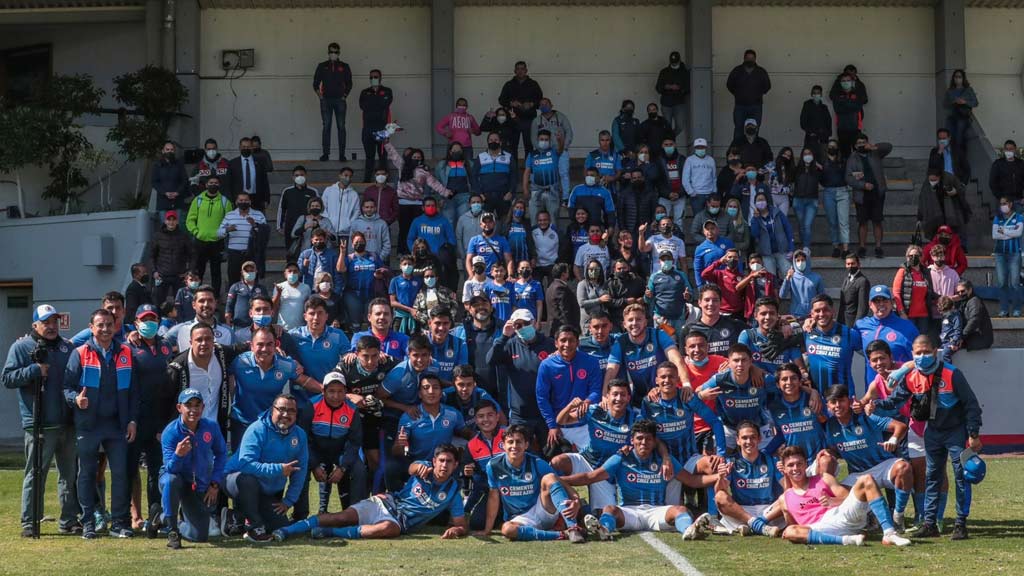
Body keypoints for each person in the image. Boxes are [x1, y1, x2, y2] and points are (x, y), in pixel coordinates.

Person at [873, 335, 983, 540]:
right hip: (932, 432)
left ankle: (961, 523)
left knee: (962, 475)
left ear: (934, 352)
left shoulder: (952, 374)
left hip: (955, 431)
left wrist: (973, 434)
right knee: (932, 476)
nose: (921, 356)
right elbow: (895, 401)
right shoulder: (911, 376)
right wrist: (875, 404)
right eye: (917, 353)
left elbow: (971, 405)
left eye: (925, 352)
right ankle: (930, 523)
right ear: (912, 355)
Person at [563, 419, 719, 542]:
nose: (643, 443)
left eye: (648, 439)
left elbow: (691, 480)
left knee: (681, 510)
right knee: (609, 509)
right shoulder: (620, 458)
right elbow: (590, 477)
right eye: (639, 439)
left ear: (654, 441)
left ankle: (689, 530)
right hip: (629, 512)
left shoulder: (665, 460)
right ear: (632, 440)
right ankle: (603, 530)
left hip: (656, 511)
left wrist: (718, 477)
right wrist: (561, 480)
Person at [272, 444, 468, 542]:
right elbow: (412, 468)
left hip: (399, 522)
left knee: (389, 530)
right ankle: (286, 531)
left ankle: (329, 533)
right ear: (434, 461)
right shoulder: (424, 468)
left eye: (449, 461)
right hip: (385, 503)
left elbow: (461, 524)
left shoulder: (452, 493)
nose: (444, 465)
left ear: (455, 464)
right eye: (441, 460)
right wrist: (418, 468)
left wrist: (456, 530)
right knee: (341, 517)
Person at [3, 304, 79, 537]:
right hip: (39, 422)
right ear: (35, 324)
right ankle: (30, 521)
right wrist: (34, 370)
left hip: (66, 422)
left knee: (69, 474)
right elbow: (7, 378)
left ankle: (69, 520)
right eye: (46, 322)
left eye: (54, 321)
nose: (51, 326)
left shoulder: (68, 347)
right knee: (36, 473)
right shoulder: (22, 346)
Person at [64, 308, 138, 539]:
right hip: (89, 425)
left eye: (109, 324)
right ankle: (88, 523)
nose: (105, 329)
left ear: (116, 325)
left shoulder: (126, 351)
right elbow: (66, 387)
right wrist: (75, 399)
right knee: (86, 474)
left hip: (117, 425)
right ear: (91, 327)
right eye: (100, 325)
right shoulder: (80, 353)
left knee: (120, 473)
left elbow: (134, 392)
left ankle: (118, 523)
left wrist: (132, 420)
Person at [774, 445, 911, 547]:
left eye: (799, 463)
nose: (795, 468)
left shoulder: (824, 478)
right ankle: (847, 540)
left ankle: (889, 533)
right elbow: (794, 527)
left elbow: (849, 498)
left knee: (866, 479)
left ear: (806, 465)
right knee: (790, 531)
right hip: (818, 528)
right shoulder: (784, 498)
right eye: (790, 465)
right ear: (785, 469)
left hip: (841, 516)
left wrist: (833, 501)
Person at [820, 384, 914, 531]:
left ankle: (898, 516)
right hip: (858, 475)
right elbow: (836, 450)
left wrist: (893, 440)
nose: (837, 405)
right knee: (833, 495)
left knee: (904, 468)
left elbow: (900, 426)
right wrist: (827, 453)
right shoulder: (830, 425)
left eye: (841, 400)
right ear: (828, 405)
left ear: (849, 401)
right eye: (833, 402)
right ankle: (870, 516)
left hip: (883, 466)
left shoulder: (866, 416)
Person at [476, 424, 584, 542]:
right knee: (507, 529)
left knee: (550, 477)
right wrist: (487, 529)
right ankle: (561, 534)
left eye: (519, 442)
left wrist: (576, 500)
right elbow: (493, 497)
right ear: (503, 445)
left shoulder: (536, 462)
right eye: (510, 442)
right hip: (520, 518)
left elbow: (560, 482)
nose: (514, 446)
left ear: (526, 445)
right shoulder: (493, 466)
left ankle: (573, 528)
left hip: (543, 509)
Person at [224, 394, 308, 542]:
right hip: (235, 481)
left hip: (265, 491)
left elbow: (300, 471)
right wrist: (277, 469)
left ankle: (235, 516)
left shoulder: (300, 435)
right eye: (281, 409)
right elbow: (245, 463)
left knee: (279, 525)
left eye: (291, 411)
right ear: (272, 410)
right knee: (248, 481)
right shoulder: (257, 429)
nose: (285, 414)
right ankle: (254, 528)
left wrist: (288, 501)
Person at [641, 361, 727, 506]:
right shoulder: (649, 402)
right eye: (663, 377)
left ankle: (713, 515)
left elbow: (715, 422)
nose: (667, 380)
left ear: (678, 379)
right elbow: (643, 432)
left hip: (688, 458)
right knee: (671, 509)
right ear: (656, 380)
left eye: (671, 377)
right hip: (664, 461)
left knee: (713, 465)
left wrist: (721, 454)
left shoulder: (687, 398)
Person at [151, 388, 227, 548]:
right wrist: (178, 454)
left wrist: (214, 483)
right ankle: (172, 531)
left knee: (200, 536)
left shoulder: (211, 427)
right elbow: (171, 469)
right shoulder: (170, 432)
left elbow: (221, 454)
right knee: (171, 480)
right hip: (174, 479)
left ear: (203, 407)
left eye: (197, 405)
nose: (193, 410)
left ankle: (160, 517)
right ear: (179, 408)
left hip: (198, 485)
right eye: (188, 405)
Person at [125, 305, 175, 530]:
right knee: (130, 469)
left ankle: (155, 515)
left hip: (159, 419)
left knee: (156, 469)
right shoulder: (128, 347)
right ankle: (134, 516)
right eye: (144, 320)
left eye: (152, 319)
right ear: (135, 323)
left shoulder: (165, 346)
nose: (148, 323)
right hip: (134, 418)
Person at [487, 308, 556, 447]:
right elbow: (490, 360)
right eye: (518, 325)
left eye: (525, 323)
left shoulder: (549, 343)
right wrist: (504, 336)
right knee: (520, 453)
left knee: (550, 452)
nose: (522, 328)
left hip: (546, 412)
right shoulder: (510, 344)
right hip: (520, 415)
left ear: (534, 322)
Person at [536, 325, 603, 451]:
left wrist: (588, 401)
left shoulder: (591, 362)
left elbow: (596, 390)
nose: (567, 344)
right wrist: (552, 425)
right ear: (556, 343)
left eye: (571, 340)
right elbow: (542, 398)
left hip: (586, 425)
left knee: (593, 464)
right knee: (559, 465)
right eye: (563, 340)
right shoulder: (546, 365)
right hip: (560, 427)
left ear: (577, 342)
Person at [712, 421, 784, 537]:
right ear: (738, 440)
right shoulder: (731, 462)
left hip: (768, 512)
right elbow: (719, 492)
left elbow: (789, 488)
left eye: (753, 437)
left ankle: (754, 525)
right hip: (741, 511)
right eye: (744, 438)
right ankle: (757, 525)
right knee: (719, 496)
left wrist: (787, 475)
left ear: (759, 439)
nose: (749, 442)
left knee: (789, 496)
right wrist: (720, 477)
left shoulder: (772, 460)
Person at [606, 303, 692, 401]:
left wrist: (686, 383)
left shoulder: (658, 335)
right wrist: (605, 396)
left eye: (638, 319)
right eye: (630, 320)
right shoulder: (621, 342)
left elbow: (676, 359)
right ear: (624, 324)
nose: (634, 323)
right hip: (639, 397)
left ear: (645, 322)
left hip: (663, 392)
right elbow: (611, 370)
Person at [853, 285, 920, 386]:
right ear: (870, 304)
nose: (881, 304)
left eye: (885, 300)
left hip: (900, 389)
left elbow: (918, 360)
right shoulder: (861, 325)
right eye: (876, 301)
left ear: (892, 303)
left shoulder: (907, 327)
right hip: (873, 389)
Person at [803, 294, 863, 397]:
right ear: (811, 314)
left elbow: (870, 352)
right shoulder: (807, 332)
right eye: (817, 311)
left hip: (843, 399)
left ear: (833, 311)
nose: (821, 314)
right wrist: (785, 324)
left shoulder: (849, 334)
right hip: (817, 399)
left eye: (826, 309)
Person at [846, 133, 892, 258]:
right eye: (859, 143)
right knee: (862, 222)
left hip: (877, 193)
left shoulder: (875, 154)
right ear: (855, 145)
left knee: (877, 221)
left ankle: (878, 247)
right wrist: (863, 185)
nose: (861, 145)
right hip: (861, 195)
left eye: (863, 142)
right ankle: (862, 247)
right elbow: (848, 178)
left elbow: (888, 147)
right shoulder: (852, 158)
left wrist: (874, 147)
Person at [186, 176, 232, 296]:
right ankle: (198, 295)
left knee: (216, 272)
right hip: (200, 241)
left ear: (219, 185)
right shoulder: (198, 200)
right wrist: (196, 232)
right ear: (206, 185)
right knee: (198, 271)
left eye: (216, 183)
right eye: (211, 183)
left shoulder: (224, 201)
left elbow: (229, 221)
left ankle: (215, 297)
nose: (213, 184)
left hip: (217, 242)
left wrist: (222, 233)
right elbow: (190, 219)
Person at [738, 297, 803, 374]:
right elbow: (739, 360)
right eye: (763, 314)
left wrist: (804, 377)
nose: (767, 317)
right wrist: (753, 368)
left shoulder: (787, 336)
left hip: (780, 384)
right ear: (755, 316)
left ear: (777, 316)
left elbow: (800, 368)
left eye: (772, 313)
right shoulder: (748, 335)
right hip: (755, 385)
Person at [217, 192, 267, 288]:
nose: (243, 202)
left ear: (250, 202)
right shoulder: (229, 215)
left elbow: (265, 233)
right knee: (233, 279)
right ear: (236, 202)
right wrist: (227, 230)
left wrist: (255, 225)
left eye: (246, 200)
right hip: (234, 253)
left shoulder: (258, 214)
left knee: (252, 279)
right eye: (241, 200)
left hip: (252, 252)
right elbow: (218, 233)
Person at [454, 296, 501, 398]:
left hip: (499, 390)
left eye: (484, 304)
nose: (481, 307)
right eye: (476, 305)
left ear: (491, 308)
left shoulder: (502, 331)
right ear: (470, 310)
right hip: (468, 392)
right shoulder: (459, 333)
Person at [313, 42, 352, 161]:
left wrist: (345, 95)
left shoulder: (344, 66)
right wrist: (320, 96)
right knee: (326, 126)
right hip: (326, 100)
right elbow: (315, 83)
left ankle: (342, 154)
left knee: (341, 126)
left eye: (335, 52)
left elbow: (349, 83)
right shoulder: (322, 65)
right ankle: (326, 153)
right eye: (331, 52)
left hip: (340, 100)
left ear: (339, 53)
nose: (333, 54)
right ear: (328, 52)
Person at [683, 284, 748, 357]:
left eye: (715, 300)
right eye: (707, 300)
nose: (711, 304)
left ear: (721, 303)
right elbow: (684, 359)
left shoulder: (736, 326)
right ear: (699, 303)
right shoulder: (689, 330)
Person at [499, 61, 543, 160]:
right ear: (514, 71)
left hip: (529, 119)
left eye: (522, 68)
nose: (520, 71)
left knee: (529, 145)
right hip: (513, 119)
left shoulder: (533, 84)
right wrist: (511, 103)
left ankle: (530, 169)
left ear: (526, 70)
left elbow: (540, 100)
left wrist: (531, 104)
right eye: (518, 69)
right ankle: (513, 169)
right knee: (512, 146)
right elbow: (501, 100)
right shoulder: (509, 84)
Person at [726, 49, 771, 141]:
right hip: (740, 106)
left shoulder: (761, 71)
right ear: (744, 58)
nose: (750, 60)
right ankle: (737, 152)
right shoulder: (737, 70)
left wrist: (758, 94)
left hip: (756, 106)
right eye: (748, 58)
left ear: (755, 59)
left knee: (754, 130)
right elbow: (729, 84)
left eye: (752, 58)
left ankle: (753, 152)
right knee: (738, 129)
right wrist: (738, 94)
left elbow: (767, 86)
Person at [523, 128, 565, 224]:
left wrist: (560, 140)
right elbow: (527, 172)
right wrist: (525, 189)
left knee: (553, 222)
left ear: (550, 141)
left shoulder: (554, 152)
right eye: (542, 139)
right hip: (536, 191)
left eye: (546, 140)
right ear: (537, 140)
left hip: (552, 191)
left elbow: (561, 149)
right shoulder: (532, 154)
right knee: (535, 221)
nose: (544, 141)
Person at [276, 166, 320, 260]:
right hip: (291, 227)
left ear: (306, 176)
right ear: (293, 177)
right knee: (291, 254)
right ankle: (292, 273)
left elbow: (319, 208)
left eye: (301, 175)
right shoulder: (287, 191)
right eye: (296, 175)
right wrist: (279, 226)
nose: (299, 177)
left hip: (308, 227)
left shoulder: (313, 192)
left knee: (308, 255)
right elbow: (282, 209)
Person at [150, 211, 192, 306]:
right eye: (169, 219)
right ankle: (158, 320)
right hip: (162, 275)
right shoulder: (158, 236)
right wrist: (154, 271)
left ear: (177, 221)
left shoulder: (183, 236)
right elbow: (152, 256)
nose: (171, 222)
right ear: (165, 221)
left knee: (181, 304)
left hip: (179, 276)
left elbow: (192, 254)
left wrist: (189, 271)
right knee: (158, 303)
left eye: (174, 220)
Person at [357, 69, 393, 180]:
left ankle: (385, 178)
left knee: (382, 155)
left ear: (380, 78)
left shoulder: (387, 91)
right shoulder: (364, 92)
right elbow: (363, 106)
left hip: (382, 128)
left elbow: (385, 103)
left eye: (376, 77)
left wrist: (372, 101)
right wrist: (377, 101)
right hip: (368, 128)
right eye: (371, 77)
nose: (373, 79)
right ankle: (367, 179)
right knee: (369, 156)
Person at [892, 245, 935, 336]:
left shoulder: (926, 272)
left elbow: (930, 291)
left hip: (924, 315)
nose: (913, 258)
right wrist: (901, 312)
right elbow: (896, 293)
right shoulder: (902, 271)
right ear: (907, 257)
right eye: (910, 256)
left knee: (922, 340)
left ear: (921, 257)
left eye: (916, 255)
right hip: (908, 315)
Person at [749, 191, 794, 278]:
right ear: (755, 203)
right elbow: (755, 234)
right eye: (758, 200)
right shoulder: (755, 218)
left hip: (782, 251)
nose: (760, 202)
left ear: (767, 201)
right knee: (770, 277)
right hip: (766, 254)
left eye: (762, 200)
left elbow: (788, 229)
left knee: (789, 274)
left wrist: (791, 248)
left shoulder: (777, 213)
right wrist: (755, 219)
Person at [649, 250, 695, 333]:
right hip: (661, 318)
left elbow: (690, 294)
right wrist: (647, 295)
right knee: (662, 344)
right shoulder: (654, 277)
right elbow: (647, 298)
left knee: (680, 343)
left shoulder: (681, 275)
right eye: (663, 259)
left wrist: (688, 296)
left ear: (673, 261)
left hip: (679, 318)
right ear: (659, 261)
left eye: (668, 259)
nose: (666, 261)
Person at [918, 170, 970, 241]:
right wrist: (919, 218)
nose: (932, 182)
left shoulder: (949, 180)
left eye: (934, 179)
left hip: (950, 217)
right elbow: (922, 201)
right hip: (936, 219)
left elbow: (960, 190)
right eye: (931, 180)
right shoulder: (926, 186)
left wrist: (956, 191)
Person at [474, 131, 516, 219]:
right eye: (491, 140)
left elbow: (514, 176)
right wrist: (479, 194)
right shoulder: (480, 157)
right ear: (488, 142)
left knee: (505, 225)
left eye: (496, 140)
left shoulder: (509, 157)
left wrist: (511, 192)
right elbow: (473, 177)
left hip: (503, 196)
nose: (493, 142)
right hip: (486, 197)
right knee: (485, 224)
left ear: (500, 142)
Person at [821, 140, 850, 258]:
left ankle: (846, 249)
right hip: (828, 191)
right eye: (830, 146)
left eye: (834, 146)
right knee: (832, 222)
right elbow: (820, 178)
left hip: (842, 191)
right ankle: (835, 247)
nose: (832, 148)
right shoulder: (823, 162)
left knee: (844, 222)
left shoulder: (843, 161)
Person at [830, 71, 868, 160]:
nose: (846, 82)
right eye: (843, 81)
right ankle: (847, 173)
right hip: (842, 129)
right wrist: (851, 103)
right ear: (840, 83)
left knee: (859, 153)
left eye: (848, 80)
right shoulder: (837, 94)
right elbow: (838, 110)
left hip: (856, 129)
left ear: (852, 82)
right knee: (844, 155)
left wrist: (844, 102)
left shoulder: (858, 93)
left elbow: (858, 107)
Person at [466, 212, 514, 279]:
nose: (487, 224)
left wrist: (510, 275)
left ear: (494, 224)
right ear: (480, 225)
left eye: (490, 222)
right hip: (480, 277)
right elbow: (469, 260)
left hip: (497, 277)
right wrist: (471, 275)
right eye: (485, 222)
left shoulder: (502, 240)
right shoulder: (474, 240)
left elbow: (509, 260)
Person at [435, 142, 475, 224]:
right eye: (454, 150)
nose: (456, 152)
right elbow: (437, 182)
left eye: (459, 151)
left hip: (464, 196)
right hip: (448, 197)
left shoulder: (469, 164)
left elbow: (473, 181)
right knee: (449, 221)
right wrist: (440, 198)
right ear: (450, 152)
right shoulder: (442, 165)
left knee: (463, 220)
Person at [229, 137, 271, 211]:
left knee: (257, 221)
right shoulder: (232, 163)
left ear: (252, 148)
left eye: (248, 147)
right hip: (240, 199)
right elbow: (230, 183)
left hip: (257, 199)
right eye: (244, 147)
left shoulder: (260, 162)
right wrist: (231, 199)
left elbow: (265, 181)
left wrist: (266, 199)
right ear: (239, 148)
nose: (246, 149)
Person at [656, 51, 691, 140]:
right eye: (672, 62)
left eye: (675, 62)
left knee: (680, 126)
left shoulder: (684, 72)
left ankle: (669, 139)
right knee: (666, 127)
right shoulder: (664, 72)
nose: (674, 64)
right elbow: (658, 88)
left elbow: (688, 88)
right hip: (666, 103)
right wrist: (667, 87)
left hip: (679, 103)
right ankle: (668, 142)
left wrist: (679, 89)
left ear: (679, 61)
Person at [792, 148, 821, 251]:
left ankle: (806, 248)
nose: (807, 155)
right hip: (798, 200)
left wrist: (820, 167)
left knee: (807, 225)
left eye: (809, 153)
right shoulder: (797, 169)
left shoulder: (817, 169)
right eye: (805, 154)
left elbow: (825, 178)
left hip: (812, 201)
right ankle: (803, 244)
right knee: (801, 225)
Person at [780, 250, 824, 318]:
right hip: (795, 314)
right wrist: (787, 278)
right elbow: (782, 295)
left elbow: (822, 297)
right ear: (794, 262)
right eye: (798, 260)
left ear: (807, 261)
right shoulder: (791, 277)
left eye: (803, 260)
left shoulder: (817, 277)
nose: (800, 262)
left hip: (812, 314)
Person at [321, 168, 360, 244]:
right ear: (340, 176)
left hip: (345, 233)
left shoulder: (354, 194)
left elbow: (356, 211)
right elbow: (323, 208)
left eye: (350, 176)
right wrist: (328, 224)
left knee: (343, 254)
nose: (347, 178)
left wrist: (348, 224)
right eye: (345, 175)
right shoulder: (329, 190)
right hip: (329, 232)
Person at [435, 97, 481, 161]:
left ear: (467, 107)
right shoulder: (450, 116)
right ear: (456, 106)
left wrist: (473, 131)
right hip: (453, 147)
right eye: (460, 104)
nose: (462, 106)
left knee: (468, 166)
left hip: (467, 147)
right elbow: (438, 126)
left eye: (464, 105)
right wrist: (445, 133)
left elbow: (478, 132)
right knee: (451, 165)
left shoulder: (470, 117)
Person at [944, 69, 978, 154]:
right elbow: (944, 104)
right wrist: (953, 102)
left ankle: (961, 156)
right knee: (949, 136)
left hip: (963, 116)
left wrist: (965, 102)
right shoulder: (950, 91)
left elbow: (975, 103)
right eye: (956, 77)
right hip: (952, 116)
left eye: (959, 77)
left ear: (963, 78)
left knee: (959, 136)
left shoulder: (968, 89)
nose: (957, 79)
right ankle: (952, 155)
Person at [737, 253, 780, 320]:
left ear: (762, 263)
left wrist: (777, 311)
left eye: (758, 262)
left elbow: (776, 295)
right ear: (749, 265)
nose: (756, 264)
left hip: (768, 310)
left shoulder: (771, 277)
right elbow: (738, 288)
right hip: (753, 312)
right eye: (753, 263)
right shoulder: (746, 278)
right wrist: (751, 276)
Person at [693, 221, 735, 288]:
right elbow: (698, 269)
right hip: (710, 282)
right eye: (707, 229)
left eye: (712, 228)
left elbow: (737, 260)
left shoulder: (728, 243)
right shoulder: (700, 248)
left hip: (727, 280)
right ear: (704, 232)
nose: (710, 231)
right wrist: (700, 286)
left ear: (717, 230)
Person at [350, 196, 392, 263]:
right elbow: (350, 243)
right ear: (363, 208)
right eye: (367, 207)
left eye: (371, 207)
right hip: (359, 261)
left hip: (376, 260)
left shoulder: (382, 224)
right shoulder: (356, 224)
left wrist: (380, 259)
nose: (369, 209)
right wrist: (353, 259)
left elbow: (387, 244)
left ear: (375, 208)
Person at [657, 137, 687, 227]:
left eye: (671, 144)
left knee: (679, 221)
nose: (668, 147)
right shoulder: (658, 161)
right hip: (664, 197)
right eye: (666, 145)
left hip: (680, 196)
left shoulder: (682, 159)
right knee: (662, 221)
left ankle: (679, 240)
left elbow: (687, 178)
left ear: (675, 145)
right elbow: (657, 181)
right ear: (662, 146)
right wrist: (667, 194)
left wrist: (679, 193)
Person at [682, 138, 716, 216]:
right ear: (695, 148)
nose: (700, 149)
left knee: (710, 216)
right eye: (698, 147)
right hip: (696, 195)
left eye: (702, 147)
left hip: (709, 193)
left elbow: (714, 177)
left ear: (706, 148)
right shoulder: (690, 160)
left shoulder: (711, 160)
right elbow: (685, 179)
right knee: (698, 217)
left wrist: (714, 192)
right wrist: (691, 192)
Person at [153, 141, 189, 215]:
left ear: (174, 151)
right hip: (163, 202)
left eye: (172, 149)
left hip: (178, 202)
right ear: (163, 151)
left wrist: (177, 192)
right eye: (167, 149)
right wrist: (164, 193)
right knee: (164, 225)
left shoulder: (179, 164)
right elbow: (154, 182)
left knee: (177, 225)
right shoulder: (157, 165)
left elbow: (185, 180)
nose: (170, 151)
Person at [955, 280, 993, 350]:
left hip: (979, 338)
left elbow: (974, 320)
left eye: (963, 291)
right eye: (958, 292)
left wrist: (962, 336)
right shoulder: (963, 302)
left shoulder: (975, 301)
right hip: (971, 337)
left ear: (970, 290)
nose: (960, 294)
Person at [545, 263, 579, 336]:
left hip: (555, 328)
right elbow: (564, 310)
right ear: (563, 274)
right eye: (567, 271)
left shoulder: (551, 286)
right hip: (561, 329)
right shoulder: (560, 287)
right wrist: (569, 329)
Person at [800, 86, 832, 161]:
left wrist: (827, 133)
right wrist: (810, 132)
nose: (816, 95)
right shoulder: (807, 105)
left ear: (821, 94)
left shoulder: (824, 107)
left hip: (823, 138)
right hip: (811, 137)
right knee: (809, 158)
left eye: (818, 93)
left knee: (823, 158)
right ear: (811, 94)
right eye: (814, 93)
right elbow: (803, 121)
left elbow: (829, 122)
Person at [577, 259, 610, 331]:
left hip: (602, 321)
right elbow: (581, 303)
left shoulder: (604, 284)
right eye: (591, 269)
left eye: (596, 269)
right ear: (587, 270)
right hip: (588, 322)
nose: (593, 271)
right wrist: (599, 300)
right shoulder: (582, 284)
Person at [989, 140, 1024, 207]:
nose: (1009, 151)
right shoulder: (998, 164)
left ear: (1015, 150)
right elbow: (992, 183)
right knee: (1004, 217)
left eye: (1011, 149)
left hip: (1019, 200)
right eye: (1006, 149)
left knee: (1019, 217)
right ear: (1004, 150)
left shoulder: (1021, 164)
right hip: (1004, 200)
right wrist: (1000, 197)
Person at [839, 253, 870, 326]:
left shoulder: (863, 281)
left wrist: (857, 325)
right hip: (843, 321)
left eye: (853, 263)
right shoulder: (846, 279)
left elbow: (863, 307)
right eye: (848, 264)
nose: (850, 266)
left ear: (858, 264)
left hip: (853, 322)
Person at [531, 210, 559, 282]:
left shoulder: (556, 231)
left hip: (552, 264)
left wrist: (558, 261)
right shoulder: (533, 231)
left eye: (545, 220)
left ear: (549, 220)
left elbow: (563, 247)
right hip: (537, 265)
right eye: (540, 220)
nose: (542, 222)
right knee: (537, 288)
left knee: (552, 289)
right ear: (537, 221)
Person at [768, 147, 796, 217]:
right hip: (773, 196)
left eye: (788, 156)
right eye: (785, 154)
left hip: (784, 197)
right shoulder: (772, 165)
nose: (786, 157)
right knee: (773, 219)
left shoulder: (791, 168)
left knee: (783, 220)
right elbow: (760, 171)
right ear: (781, 154)